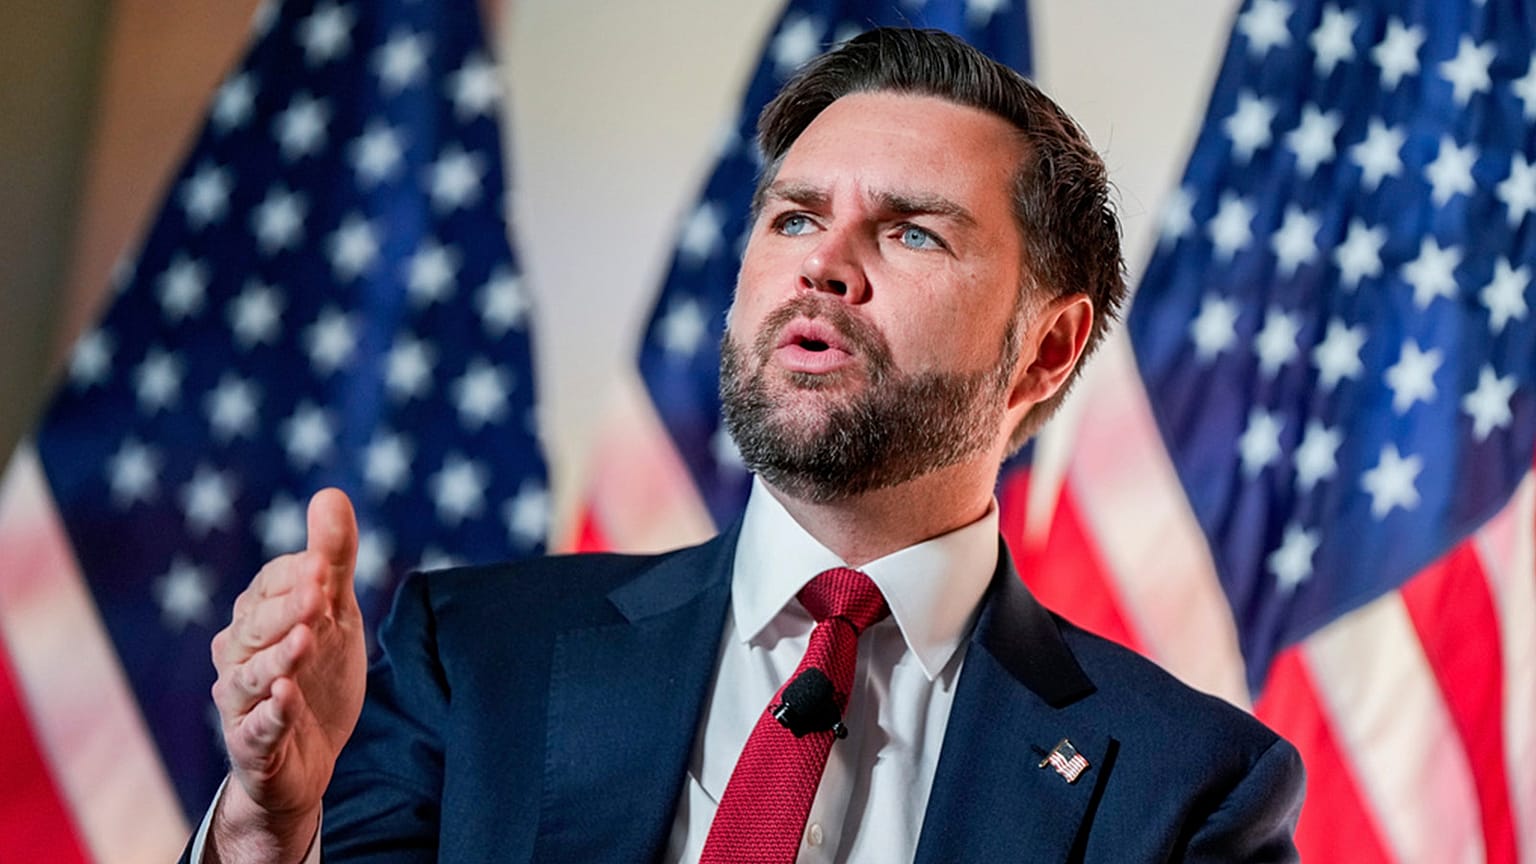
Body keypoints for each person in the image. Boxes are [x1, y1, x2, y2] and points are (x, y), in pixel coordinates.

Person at [188, 27, 1304, 864]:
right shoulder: (477, 657)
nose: (824, 266)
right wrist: (264, 829)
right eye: (795, 218)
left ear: (1047, 352)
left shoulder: (1189, 788)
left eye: (911, 231)